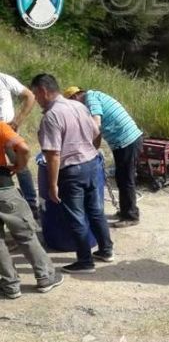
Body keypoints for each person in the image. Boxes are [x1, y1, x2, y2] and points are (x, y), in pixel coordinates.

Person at [31, 74, 114, 274]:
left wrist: (52, 185)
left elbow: (53, 155)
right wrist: (91, 151)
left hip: (71, 172)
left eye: (35, 95)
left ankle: (85, 261)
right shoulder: (78, 106)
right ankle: (106, 250)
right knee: (95, 211)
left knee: (76, 216)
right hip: (92, 164)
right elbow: (96, 132)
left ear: (43, 91)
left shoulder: (51, 116)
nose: (36, 100)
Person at [0, 121, 64, 299]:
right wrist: (20, 166)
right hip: (3, 190)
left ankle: (10, 285)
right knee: (25, 233)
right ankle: (45, 276)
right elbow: (24, 148)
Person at [64, 87, 143, 228]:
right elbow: (97, 131)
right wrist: (93, 148)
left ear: (75, 98)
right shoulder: (93, 99)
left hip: (128, 141)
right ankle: (126, 211)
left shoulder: (90, 99)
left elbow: (96, 124)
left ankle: (131, 216)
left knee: (126, 179)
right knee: (121, 178)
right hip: (124, 142)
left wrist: (84, 146)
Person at [0, 71, 39, 216]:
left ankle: (31, 205)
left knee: (22, 168)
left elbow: (30, 96)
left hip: (7, 130)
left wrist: (18, 120)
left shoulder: (3, 79)